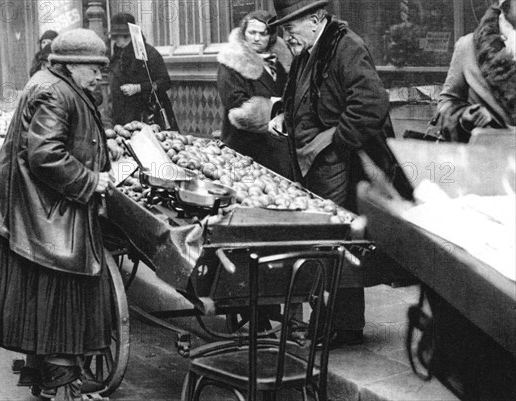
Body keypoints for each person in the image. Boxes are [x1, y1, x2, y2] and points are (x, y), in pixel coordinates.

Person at [0, 29, 115, 399]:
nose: (100, 75)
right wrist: (91, 181)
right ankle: (63, 383)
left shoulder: (53, 83)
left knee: (43, 295)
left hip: (35, 206)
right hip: (44, 211)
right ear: (71, 64)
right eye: (95, 68)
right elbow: (45, 156)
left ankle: (45, 374)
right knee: (61, 292)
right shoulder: (55, 91)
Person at [268, 0, 413, 346]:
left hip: (342, 167)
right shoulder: (308, 49)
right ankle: (340, 325)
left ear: (316, 20)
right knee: (330, 241)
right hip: (319, 169)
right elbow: (306, 100)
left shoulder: (347, 46)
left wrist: (332, 143)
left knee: (336, 244)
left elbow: (371, 104)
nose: (286, 36)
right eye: (283, 29)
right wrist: (284, 115)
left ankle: (335, 326)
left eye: (291, 27)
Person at [217, 10, 293, 178]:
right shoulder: (232, 61)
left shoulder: (284, 61)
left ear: (271, 36)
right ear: (244, 33)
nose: (257, 38)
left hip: (279, 147)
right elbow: (235, 102)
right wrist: (279, 109)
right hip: (244, 146)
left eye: (263, 33)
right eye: (252, 33)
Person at [437, 0, 515, 142]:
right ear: (504, 4)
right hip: (490, 156)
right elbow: (446, 104)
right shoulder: (469, 46)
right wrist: (465, 115)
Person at [108, 13, 178, 130]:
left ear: (128, 35)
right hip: (123, 115)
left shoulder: (149, 54)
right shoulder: (117, 55)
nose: (115, 40)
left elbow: (165, 82)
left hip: (147, 114)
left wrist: (138, 87)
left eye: (117, 36)